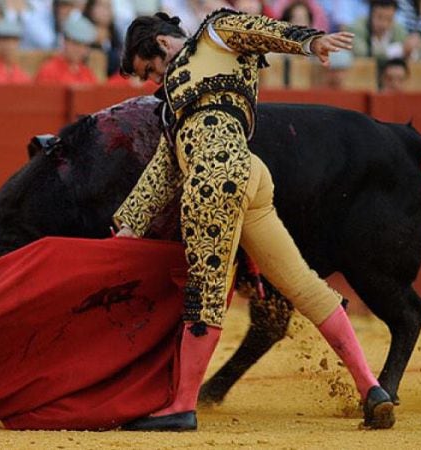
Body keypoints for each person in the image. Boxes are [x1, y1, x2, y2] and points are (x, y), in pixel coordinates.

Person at [113, 9, 395, 431]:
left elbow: (259, 29)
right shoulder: (174, 101)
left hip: (214, 177)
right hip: (248, 174)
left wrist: (309, 42)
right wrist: (131, 221)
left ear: (160, 43)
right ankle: (371, 388)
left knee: (205, 291)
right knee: (302, 283)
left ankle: (182, 406)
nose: (154, 79)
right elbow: (165, 167)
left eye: (150, 68)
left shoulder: (213, 34)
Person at [34, 10, 97, 85]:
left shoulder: (87, 73)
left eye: (85, 46)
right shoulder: (49, 71)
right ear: (65, 42)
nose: (81, 50)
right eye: (76, 44)